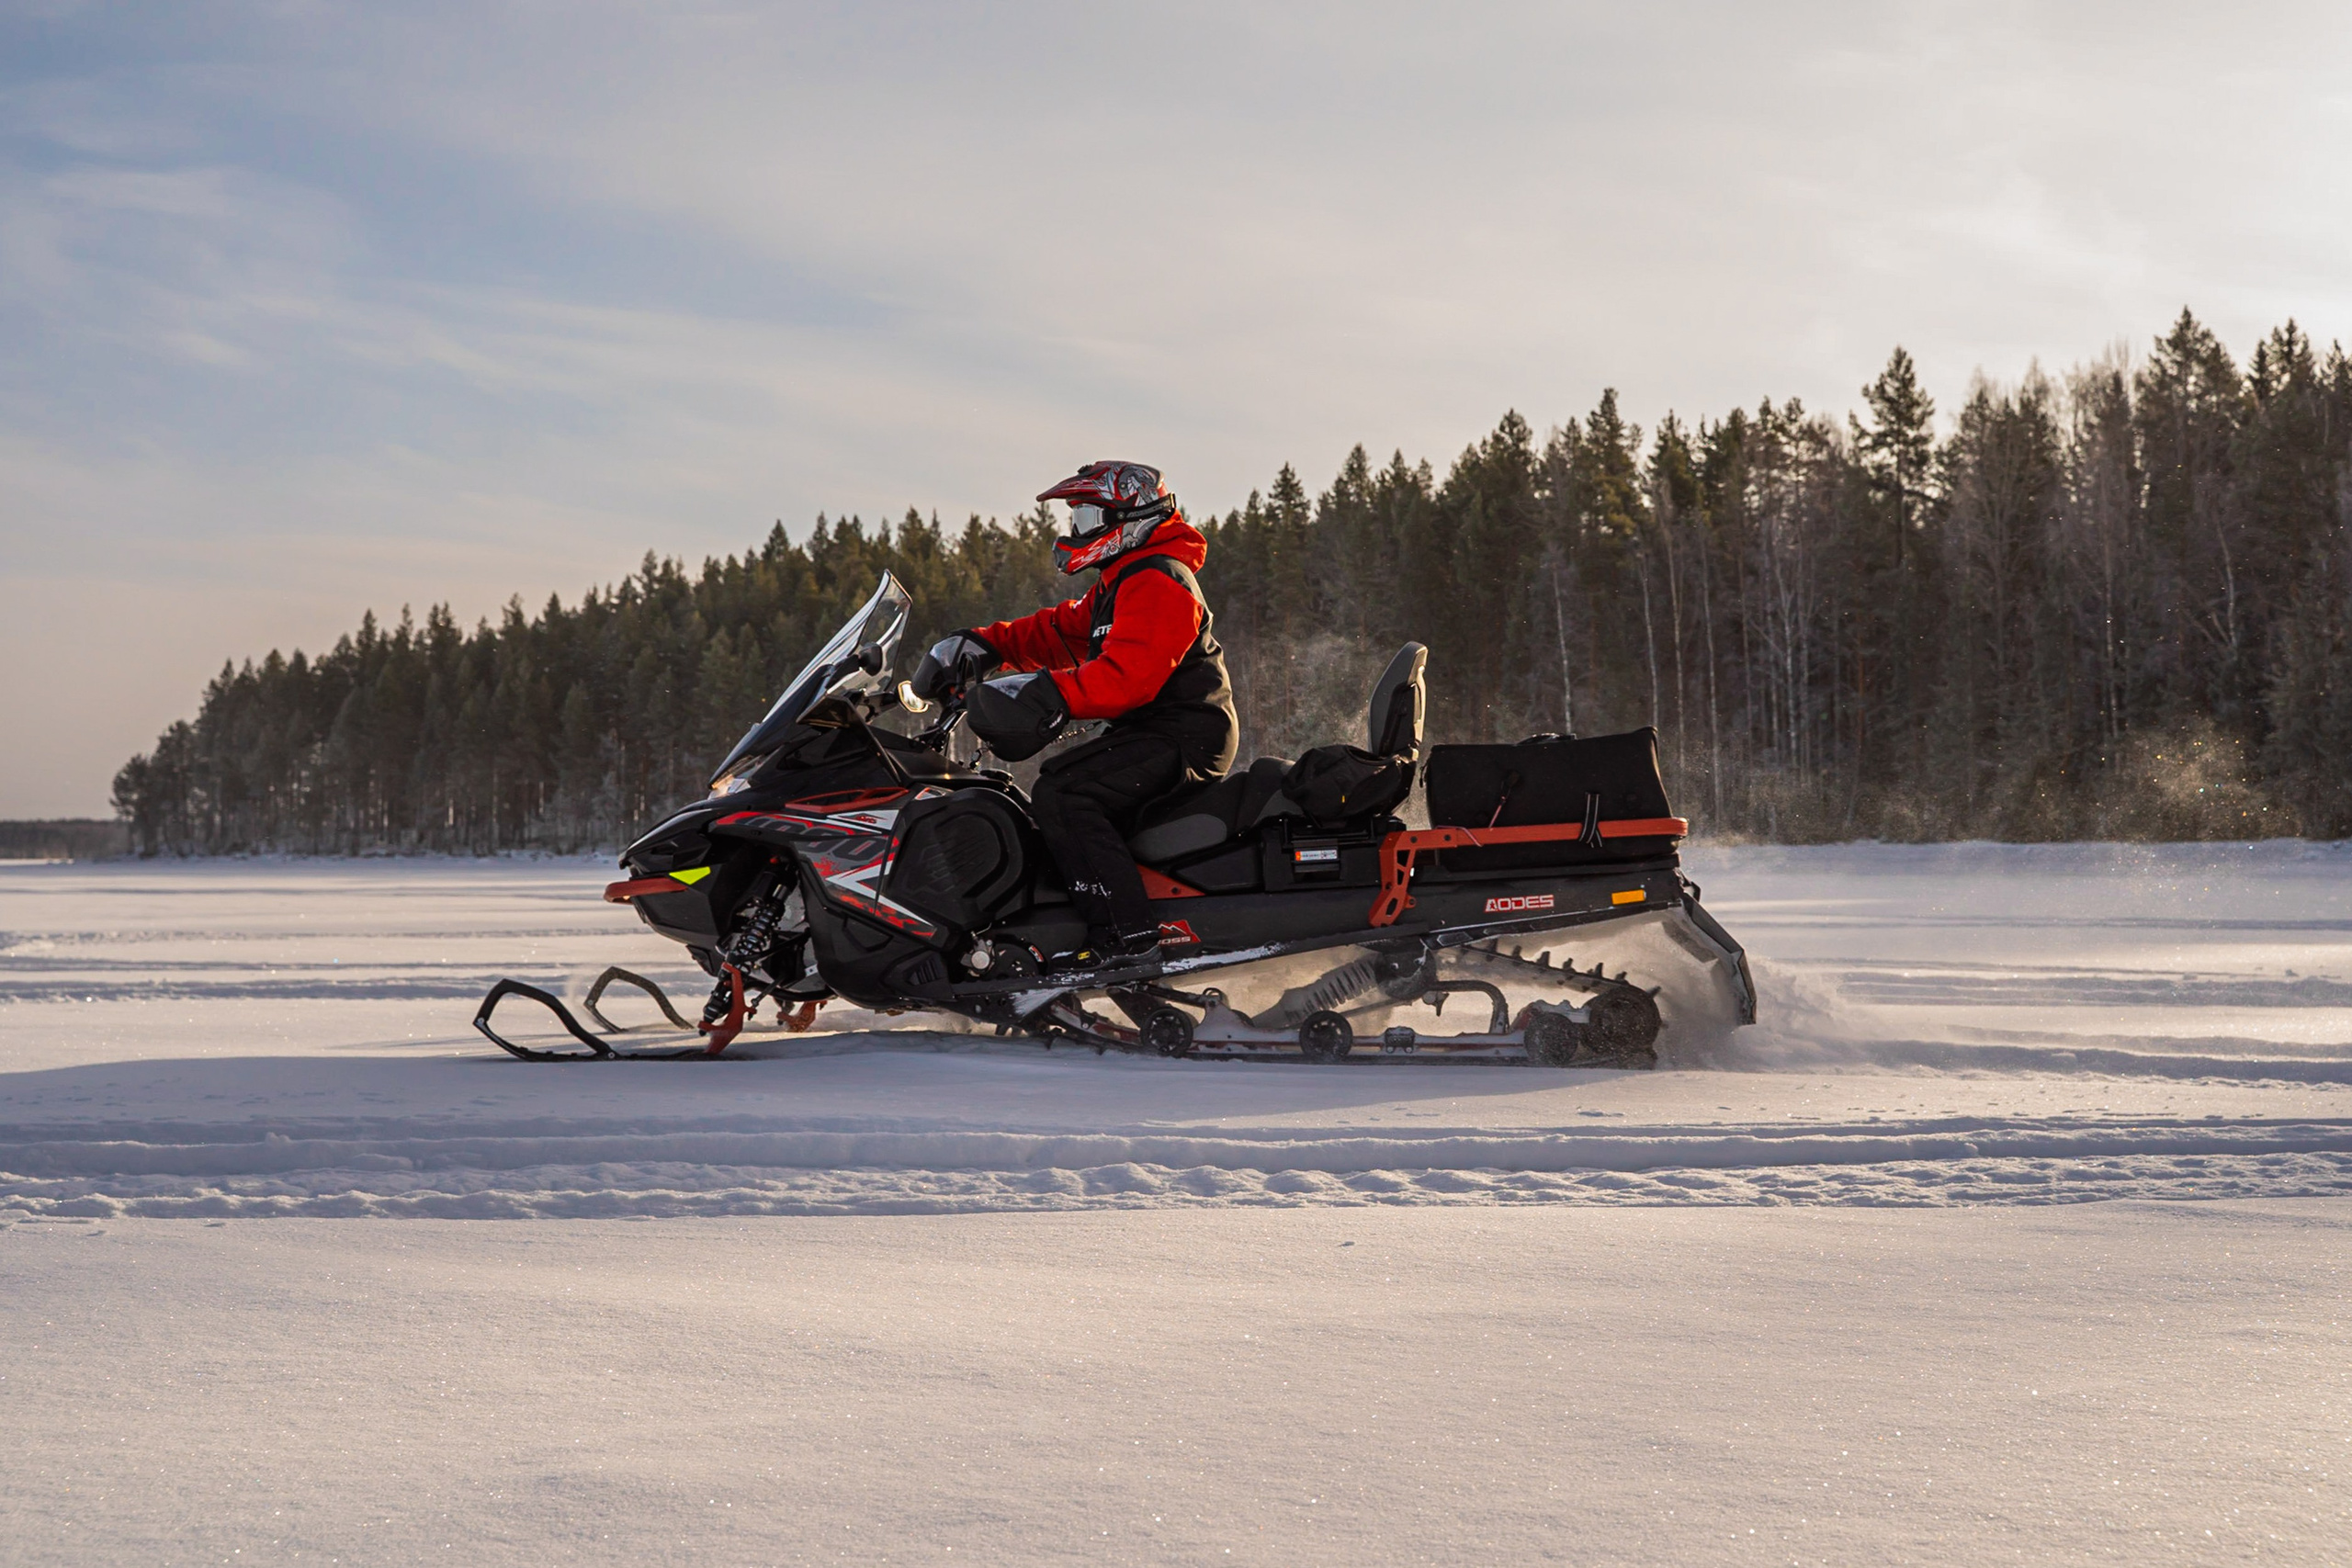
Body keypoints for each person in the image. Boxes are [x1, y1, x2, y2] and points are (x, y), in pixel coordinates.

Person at [911, 460, 1237, 964]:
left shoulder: (1159, 578)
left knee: (1063, 793)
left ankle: (1128, 939)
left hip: (1186, 736)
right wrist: (984, 645)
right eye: (1076, 518)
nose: (1077, 530)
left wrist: (1044, 695)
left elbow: (1128, 677)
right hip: (1159, 732)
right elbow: (1058, 632)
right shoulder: (1123, 580)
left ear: (1131, 518)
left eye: (1088, 518)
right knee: (1039, 792)